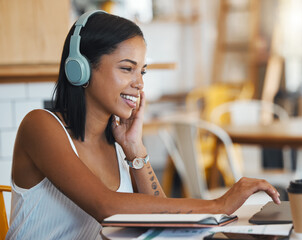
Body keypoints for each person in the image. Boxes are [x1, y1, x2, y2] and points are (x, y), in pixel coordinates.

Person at [6, 10, 281, 239]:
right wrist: (218, 205)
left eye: (142, 71)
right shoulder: (40, 126)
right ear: (81, 69)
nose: (139, 83)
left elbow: (162, 219)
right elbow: (106, 206)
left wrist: (134, 148)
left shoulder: (117, 141)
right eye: (127, 68)